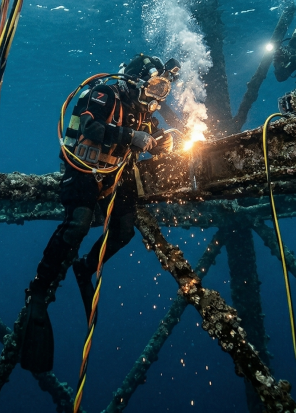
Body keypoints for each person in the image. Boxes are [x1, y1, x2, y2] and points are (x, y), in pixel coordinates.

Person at [18, 53, 179, 373]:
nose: (157, 95)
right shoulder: (105, 93)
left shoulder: (142, 112)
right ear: (137, 79)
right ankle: (38, 289)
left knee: (123, 231)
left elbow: (149, 139)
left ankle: (85, 267)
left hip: (113, 176)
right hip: (82, 169)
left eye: (163, 89)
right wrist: (131, 137)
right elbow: (90, 127)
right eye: (155, 86)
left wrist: (162, 144)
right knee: (77, 225)